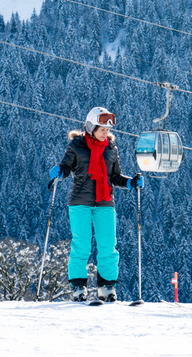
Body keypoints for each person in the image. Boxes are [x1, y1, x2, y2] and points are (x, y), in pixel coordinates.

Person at [49, 107, 143, 302]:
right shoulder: (76, 146)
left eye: (107, 130)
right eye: (102, 129)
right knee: (81, 244)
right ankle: (78, 287)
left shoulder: (111, 149)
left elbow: (115, 176)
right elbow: (66, 167)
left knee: (108, 245)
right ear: (91, 126)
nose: (105, 133)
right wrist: (60, 172)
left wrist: (130, 183)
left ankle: (106, 287)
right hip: (79, 202)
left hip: (105, 202)